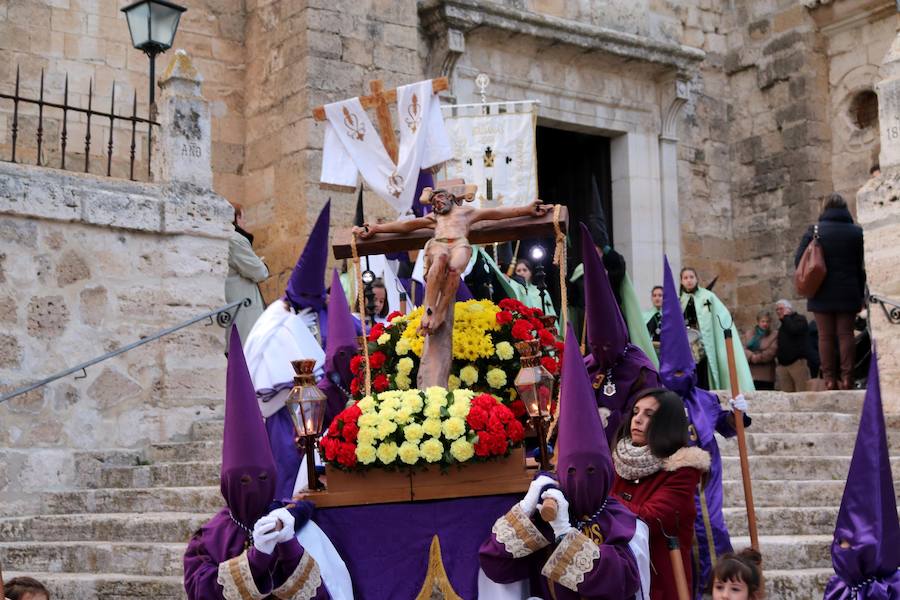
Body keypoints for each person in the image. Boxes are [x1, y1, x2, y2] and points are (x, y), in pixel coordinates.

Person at [480, 325, 649, 600]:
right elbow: (494, 564)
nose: (581, 478)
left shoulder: (622, 522)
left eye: (592, 470)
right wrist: (524, 510)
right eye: (571, 470)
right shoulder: (545, 512)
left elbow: (621, 582)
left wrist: (564, 533)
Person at [184, 328, 330, 599]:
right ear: (228, 483)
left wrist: (289, 546)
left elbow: (320, 594)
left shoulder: (287, 520)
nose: (252, 488)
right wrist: (255, 560)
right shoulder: (207, 540)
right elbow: (200, 591)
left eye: (262, 479)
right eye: (243, 481)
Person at [660, 257, 751, 598]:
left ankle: (719, 591)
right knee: (683, 536)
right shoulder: (657, 402)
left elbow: (728, 428)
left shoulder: (705, 399)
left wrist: (737, 413)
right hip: (673, 481)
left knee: (713, 528)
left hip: (707, 480)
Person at [243, 203, 330, 500]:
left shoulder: (313, 315)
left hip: (316, 411)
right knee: (287, 467)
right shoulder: (274, 321)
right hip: (282, 415)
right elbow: (259, 367)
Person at [611, 388, 711, 600]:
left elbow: (650, 519)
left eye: (649, 415)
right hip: (617, 575)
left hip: (659, 582)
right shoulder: (618, 461)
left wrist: (601, 499)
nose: (637, 420)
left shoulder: (683, 469)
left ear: (667, 423)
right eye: (636, 412)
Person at [580, 224, 661, 442]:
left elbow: (649, 414)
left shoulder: (642, 370)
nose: (601, 352)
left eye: (606, 346)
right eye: (596, 347)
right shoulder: (586, 366)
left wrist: (612, 420)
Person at [794, 193, 866, 390]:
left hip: (821, 291)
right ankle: (847, 379)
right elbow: (861, 266)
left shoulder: (815, 230)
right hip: (849, 290)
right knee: (846, 335)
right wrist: (861, 295)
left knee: (824, 336)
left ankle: (829, 379)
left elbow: (798, 260)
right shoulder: (856, 232)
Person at [679, 267, 754, 392]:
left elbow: (722, 316)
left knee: (704, 374)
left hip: (706, 344)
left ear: (697, 279)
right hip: (687, 346)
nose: (689, 280)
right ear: (681, 281)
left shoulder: (708, 297)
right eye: (685, 278)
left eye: (691, 277)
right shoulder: (680, 300)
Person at [225, 203, 269, 354]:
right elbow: (260, 272)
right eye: (244, 218)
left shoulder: (230, 239)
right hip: (244, 314)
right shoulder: (236, 240)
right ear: (237, 217)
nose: (245, 223)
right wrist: (263, 264)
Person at [774, 300, 809, 392]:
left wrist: (786, 316)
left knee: (802, 392)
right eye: (776, 310)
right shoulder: (783, 325)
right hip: (783, 365)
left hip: (797, 363)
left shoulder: (800, 319)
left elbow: (794, 330)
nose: (778, 312)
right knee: (787, 395)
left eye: (781, 309)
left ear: (788, 309)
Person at [743, 310, 777, 390]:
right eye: (763, 321)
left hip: (766, 374)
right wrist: (751, 356)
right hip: (751, 374)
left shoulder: (774, 334)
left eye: (767, 321)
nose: (765, 324)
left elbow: (771, 352)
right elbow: (743, 348)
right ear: (758, 322)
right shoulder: (749, 334)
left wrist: (756, 358)